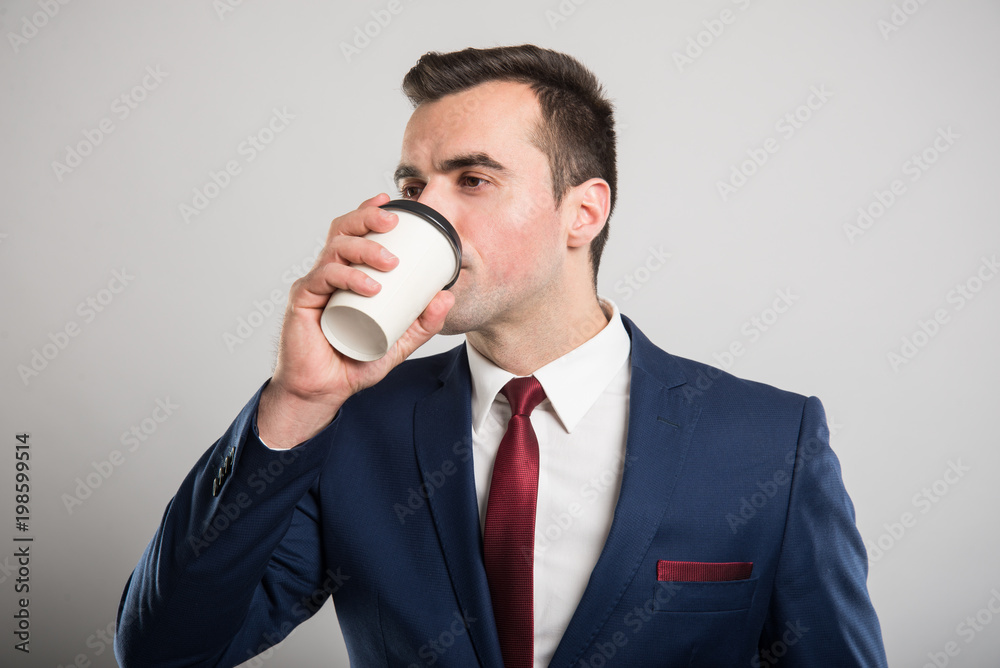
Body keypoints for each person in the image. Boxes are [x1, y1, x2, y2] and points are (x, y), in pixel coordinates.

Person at [114, 44, 887, 667]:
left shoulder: (768, 444)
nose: (424, 210)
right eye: (413, 183)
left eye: (473, 179)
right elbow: (165, 652)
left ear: (582, 212)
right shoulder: (353, 424)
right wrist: (297, 401)